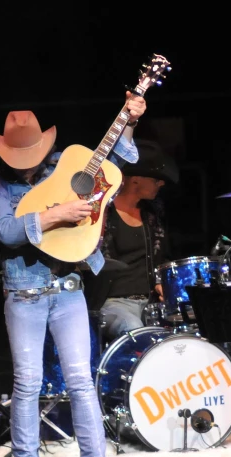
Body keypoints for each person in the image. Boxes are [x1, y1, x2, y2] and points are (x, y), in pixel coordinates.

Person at [0, 91, 147, 457]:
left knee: (80, 382)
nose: (29, 163)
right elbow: (5, 231)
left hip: (69, 287)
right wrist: (56, 214)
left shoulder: (65, 165)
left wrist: (130, 119)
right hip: (24, 294)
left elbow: (118, 162)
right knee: (28, 383)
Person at [83, 139, 177, 342]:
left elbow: (163, 258)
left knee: (178, 333)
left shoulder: (153, 213)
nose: (161, 184)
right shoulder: (102, 213)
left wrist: (162, 283)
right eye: (155, 179)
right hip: (112, 303)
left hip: (150, 303)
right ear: (135, 180)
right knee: (135, 330)